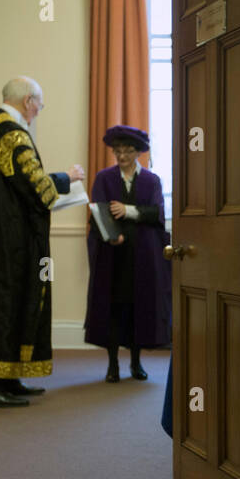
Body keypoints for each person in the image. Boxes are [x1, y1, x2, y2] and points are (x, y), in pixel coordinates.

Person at [0, 76, 86, 407]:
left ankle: (6, 376)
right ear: (29, 101)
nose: (38, 112)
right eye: (39, 106)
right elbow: (35, 187)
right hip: (9, 242)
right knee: (4, 305)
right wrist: (67, 179)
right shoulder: (12, 134)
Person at [83, 125, 171, 382]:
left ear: (138, 153)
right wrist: (112, 235)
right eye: (118, 151)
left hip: (142, 256)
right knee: (113, 308)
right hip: (113, 256)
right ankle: (112, 366)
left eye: (128, 151)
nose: (122, 157)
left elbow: (157, 213)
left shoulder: (151, 180)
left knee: (138, 308)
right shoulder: (104, 178)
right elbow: (98, 210)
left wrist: (128, 210)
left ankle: (136, 363)